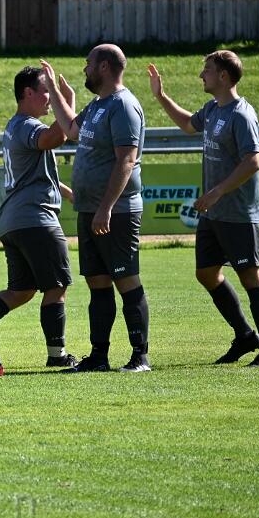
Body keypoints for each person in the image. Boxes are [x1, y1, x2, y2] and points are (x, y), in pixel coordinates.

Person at [149, 52, 259, 366]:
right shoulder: (212, 109)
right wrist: (161, 96)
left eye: (206, 69)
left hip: (237, 212)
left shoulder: (241, 115)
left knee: (250, 275)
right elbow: (186, 124)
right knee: (206, 273)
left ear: (223, 76)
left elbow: (253, 161)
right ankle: (245, 335)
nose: (201, 75)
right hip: (213, 213)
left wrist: (218, 191)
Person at [0, 66, 78, 367]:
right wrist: (67, 104)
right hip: (36, 218)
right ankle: (58, 356)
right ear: (28, 93)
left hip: (14, 220)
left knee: (21, 291)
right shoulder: (27, 125)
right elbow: (55, 137)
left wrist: (66, 192)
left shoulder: (15, 126)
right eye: (46, 91)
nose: (50, 98)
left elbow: (33, 170)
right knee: (56, 287)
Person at [42, 44, 151, 373]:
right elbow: (71, 130)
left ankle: (140, 357)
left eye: (88, 63)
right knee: (98, 283)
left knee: (126, 280)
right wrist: (53, 90)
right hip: (91, 209)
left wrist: (106, 207)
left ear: (104, 67)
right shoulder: (98, 105)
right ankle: (99, 357)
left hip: (116, 211)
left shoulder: (124, 106)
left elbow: (126, 160)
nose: (85, 69)